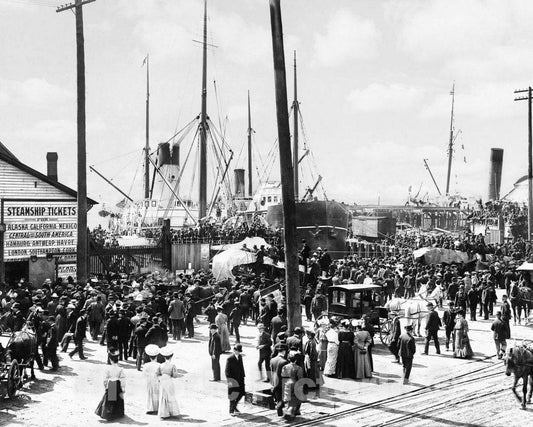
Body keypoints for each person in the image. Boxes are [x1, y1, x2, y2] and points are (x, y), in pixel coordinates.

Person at [95, 350, 125, 421]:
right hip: (118, 383)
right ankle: (118, 413)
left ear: (111, 360)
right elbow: (123, 379)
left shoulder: (108, 368)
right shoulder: (120, 368)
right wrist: (123, 388)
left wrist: (105, 386)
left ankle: (109, 414)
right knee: (118, 399)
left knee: (110, 400)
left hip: (111, 383)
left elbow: (105, 379)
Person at [157, 346, 180, 419]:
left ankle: (163, 413)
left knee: (163, 396)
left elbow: (157, 374)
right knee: (170, 396)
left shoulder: (161, 365)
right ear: (171, 357)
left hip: (162, 380)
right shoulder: (172, 365)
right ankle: (173, 412)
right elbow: (175, 375)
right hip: (169, 381)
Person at [281, 351, 304, 421]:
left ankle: (289, 412)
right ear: (296, 360)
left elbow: (282, 375)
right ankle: (289, 413)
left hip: (286, 383)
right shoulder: (298, 368)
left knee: (288, 398)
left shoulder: (285, 367)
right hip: (295, 383)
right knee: (294, 399)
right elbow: (300, 379)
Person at [225, 344, 246, 416]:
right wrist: (229, 381)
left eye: (239, 351)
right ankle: (231, 411)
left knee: (241, 393)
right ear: (234, 350)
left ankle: (235, 406)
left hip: (240, 379)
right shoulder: (230, 358)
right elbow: (227, 371)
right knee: (233, 395)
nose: (238, 353)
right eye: (237, 351)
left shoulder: (240, 357)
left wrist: (243, 377)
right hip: (232, 380)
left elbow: (241, 367)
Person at [270, 343, 289, 416]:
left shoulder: (272, 360)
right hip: (282, 383)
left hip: (274, 382)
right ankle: (280, 411)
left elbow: (271, 371)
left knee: (278, 398)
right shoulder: (284, 361)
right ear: (284, 351)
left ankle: (279, 413)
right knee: (283, 399)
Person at [144, 344, 160, 414]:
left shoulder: (146, 365)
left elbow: (144, 374)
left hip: (149, 381)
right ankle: (157, 407)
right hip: (157, 381)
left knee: (149, 394)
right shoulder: (159, 365)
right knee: (157, 394)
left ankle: (150, 408)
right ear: (156, 356)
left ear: (149, 357)